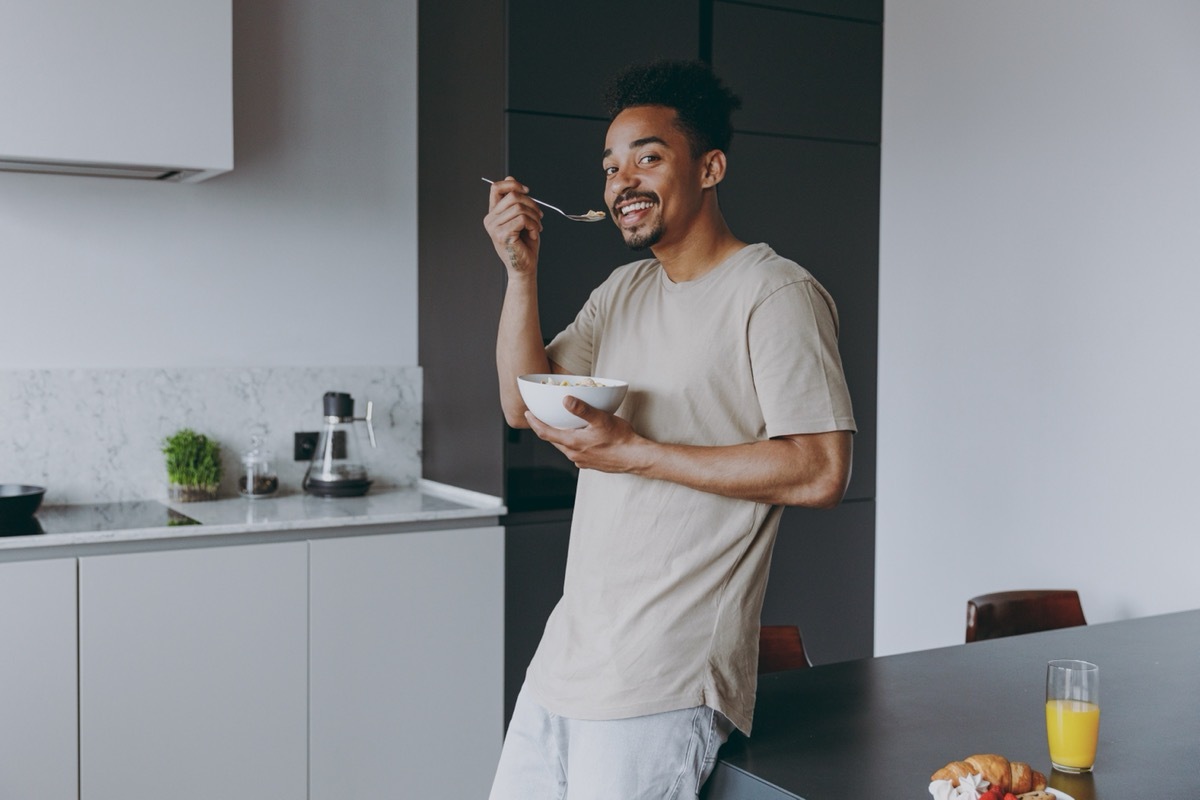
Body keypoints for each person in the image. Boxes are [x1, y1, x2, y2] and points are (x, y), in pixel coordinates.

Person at [483, 59, 856, 799]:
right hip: (566, 663)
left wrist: (637, 453)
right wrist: (519, 274)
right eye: (610, 166)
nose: (623, 181)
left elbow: (820, 470)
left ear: (710, 167)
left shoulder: (772, 291)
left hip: (666, 678)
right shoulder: (624, 290)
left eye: (647, 157)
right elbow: (523, 406)